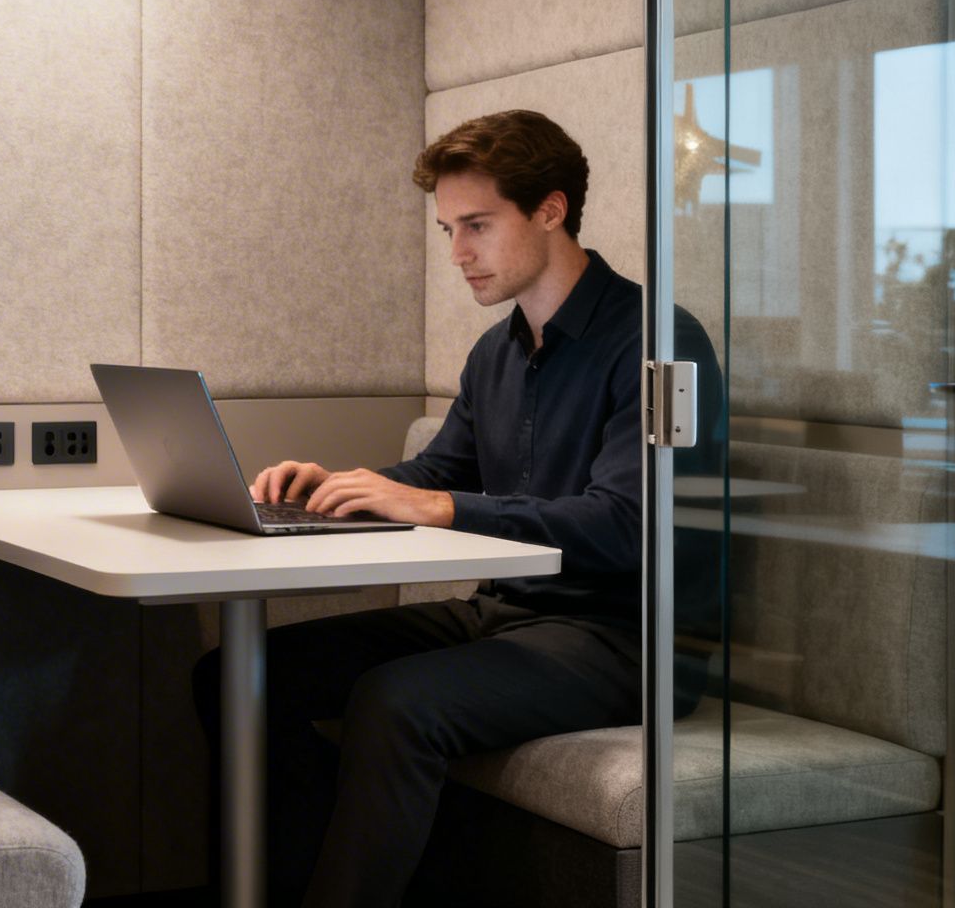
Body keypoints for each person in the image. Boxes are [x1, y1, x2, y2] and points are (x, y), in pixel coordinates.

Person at [192, 109, 714, 908]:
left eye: (477, 224)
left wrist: (434, 503)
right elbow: (439, 474)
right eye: (447, 230)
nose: (459, 254)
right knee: (238, 675)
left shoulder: (656, 340)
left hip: (625, 641)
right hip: (503, 612)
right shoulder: (498, 351)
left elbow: (626, 525)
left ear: (550, 209)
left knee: (397, 702)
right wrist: (331, 489)